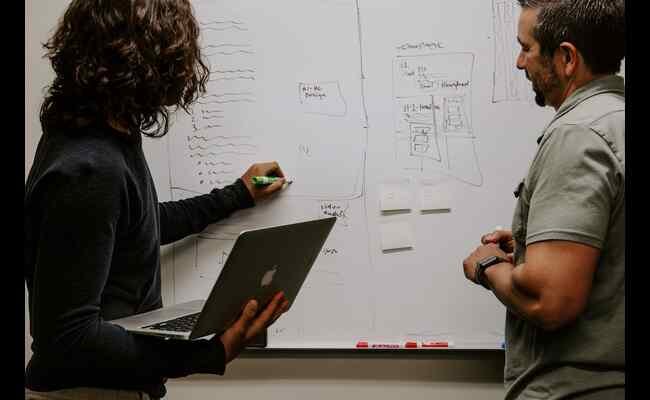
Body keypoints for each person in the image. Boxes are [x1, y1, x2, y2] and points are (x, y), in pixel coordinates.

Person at [24, 1, 291, 399]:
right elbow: (68, 340)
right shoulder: (89, 167)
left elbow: (140, 225)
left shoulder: (104, 136)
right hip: (89, 392)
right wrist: (209, 354)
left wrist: (239, 193)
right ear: (152, 63)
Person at [461, 1, 625, 399]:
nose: (519, 63)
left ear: (567, 58)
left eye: (527, 48)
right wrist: (531, 248)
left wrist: (486, 266)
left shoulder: (578, 135)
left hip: (576, 388)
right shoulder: (615, 120)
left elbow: (551, 301)